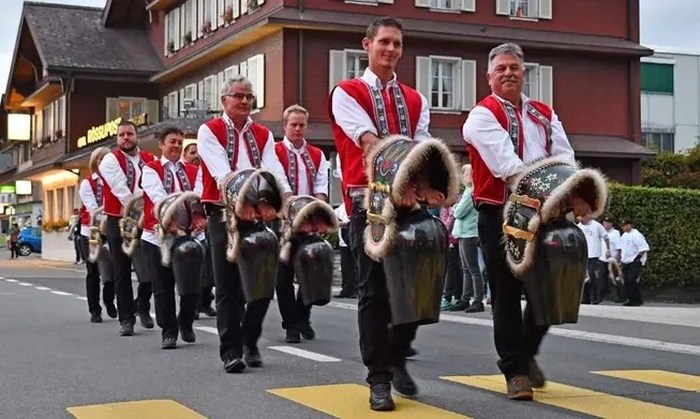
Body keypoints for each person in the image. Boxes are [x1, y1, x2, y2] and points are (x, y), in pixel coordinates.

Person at [462, 42, 591, 400]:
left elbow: (564, 156)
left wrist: (573, 190)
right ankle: (515, 370)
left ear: (524, 72)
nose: (508, 73)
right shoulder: (481, 116)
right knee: (505, 292)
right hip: (501, 212)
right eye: (500, 68)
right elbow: (508, 168)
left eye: (514, 67)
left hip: (547, 210)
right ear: (488, 76)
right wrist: (558, 190)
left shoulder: (543, 113)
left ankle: (528, 350)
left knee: (551, 287)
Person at [329, 16, 433, 411]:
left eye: (397, 44)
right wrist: (403, 181)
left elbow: (422, 148)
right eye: (384, 42)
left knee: (417, 283)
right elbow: (368, 141)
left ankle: (397, 352)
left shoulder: (416, 98)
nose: (391, 50)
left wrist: (426, 185)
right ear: (367, 45)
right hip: (366, 201)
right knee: (374, 291)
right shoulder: (347, 92)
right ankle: (379, 378)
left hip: (408, 200)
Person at [198, 75, 291, 373]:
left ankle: (250, 338)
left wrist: (285, 200)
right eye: (238, 96)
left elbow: (273, 170)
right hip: (222, 214)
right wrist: (246, 204)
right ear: (224, 100)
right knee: (227, 287)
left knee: (263, 284)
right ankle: (231, 351)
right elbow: (222, 174)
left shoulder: (263, 134)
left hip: (258, 214)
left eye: (249, 97)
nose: (244, 101)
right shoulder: (208, 130)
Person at [141, 127, 206, 349]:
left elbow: (198, 195)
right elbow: (157, 195)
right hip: (157, 236)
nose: (177, 146)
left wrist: (197, 215)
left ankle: (186, 322)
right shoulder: (150, 169)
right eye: (172, 141)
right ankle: (168, 331)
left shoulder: (193, 170)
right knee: (162, 286)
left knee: (191, 285)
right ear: (161, 144)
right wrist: (166, 218)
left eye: (180, 142)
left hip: (188, 235)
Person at [274, 104, 330, 344]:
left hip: (308, 223)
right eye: (293, 124)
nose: (297, 129)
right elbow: (275, 183)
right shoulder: (274, 152)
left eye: (301, 125)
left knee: (309, 274)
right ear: (284, 126)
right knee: (282, 278)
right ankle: (291, 325)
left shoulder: (317, 154)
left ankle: (303, 315)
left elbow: (321, 187)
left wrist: (317, 212)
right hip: (281, 223)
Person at [99, 120, 156, 336]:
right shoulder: (109, 161)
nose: (125, 138)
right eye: (121, 134)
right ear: (117, 138)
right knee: (121, 269)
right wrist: (138, 209)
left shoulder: (151, 160)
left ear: (137, 136)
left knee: (152, 267)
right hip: (119, 218)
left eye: (129, 134)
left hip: (147, 219)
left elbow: (155, 185)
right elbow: (121, 190)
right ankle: (126, 318)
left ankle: (142, 304)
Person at [78, 146, 117, 323]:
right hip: (92, 231)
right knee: (93, 271)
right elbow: (93, 208)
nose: (103, 162)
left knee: (114, 269)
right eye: (100, 159)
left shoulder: (115, 181)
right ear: (95, 163)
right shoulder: (88, 183)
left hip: (112, 228)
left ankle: (109, 300)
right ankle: (95, 309)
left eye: (107, 159)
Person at [182, 140, 216, 318]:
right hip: (184, 224)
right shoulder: (179, 172)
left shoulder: (205, 171)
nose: (196, 157)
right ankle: (192, 304)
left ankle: (205, 300)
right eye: (192, 153)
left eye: (198, 153)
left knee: (208, 266)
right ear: (185, 155)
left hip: (205, 224)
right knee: (191, 267)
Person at [451, 164, 485, 313]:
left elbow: (458, 212)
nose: (462, 176)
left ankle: (477, 300)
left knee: (472, 269)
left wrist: (454, 208)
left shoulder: (470, 192)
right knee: (467, 268)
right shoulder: (470, 191)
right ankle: (466, 299)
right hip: (464, 233)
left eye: (465, 174)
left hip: (469, 233)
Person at [577, 214, 610, 304]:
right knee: (583, 276)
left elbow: (606, 237)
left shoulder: (596, 226)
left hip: (594, 255)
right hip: (583, 255)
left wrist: (608, 249)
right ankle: (586, 297)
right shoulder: (578, 227)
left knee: (592, 274)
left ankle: (597, 296)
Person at [616, 220, 649, 306]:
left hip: (634, 261)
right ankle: (630, 299)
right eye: (622, 226)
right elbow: (621, 248)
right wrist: (619, 258)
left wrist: (637, 258)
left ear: (630, 225)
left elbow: (643, 248)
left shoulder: (636, 235)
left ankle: (637, 299)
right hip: (625, 261)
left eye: (625, 225)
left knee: (632, 280)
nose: (623, 228)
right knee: (626, 281)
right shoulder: (624, 235)